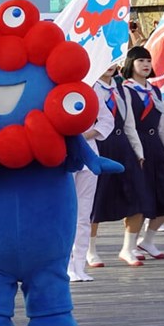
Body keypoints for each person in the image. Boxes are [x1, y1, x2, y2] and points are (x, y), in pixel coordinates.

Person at [120, 47, 164, 259]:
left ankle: (148, 241)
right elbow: (129, 125)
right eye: (140, 61)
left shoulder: (154, 91)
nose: (145, 65)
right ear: (131, 64)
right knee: (139, 199)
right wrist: (137, 151)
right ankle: (128, 247)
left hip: (156, 147)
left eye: (148, 61)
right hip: (137, 146)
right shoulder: (125, 89)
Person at [89, 64, 146, 268]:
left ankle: (128, 248)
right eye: (105, 62)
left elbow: (129, 123)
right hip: (99, 146)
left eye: (113, 61)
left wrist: (138, 152)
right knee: (95, 200)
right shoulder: (89, 87)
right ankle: (90, 249)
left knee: (138, 196)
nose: (109, 66)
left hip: (123, 146)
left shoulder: (122, 89)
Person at [67, 81, 114, 282]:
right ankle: (65, 265)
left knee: (83, 215)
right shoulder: (53, 83)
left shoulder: (91, 86)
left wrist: (86, 135)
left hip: (89, 156)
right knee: (64, 214)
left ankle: (79, 265)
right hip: (63, 157)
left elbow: (106, 120)